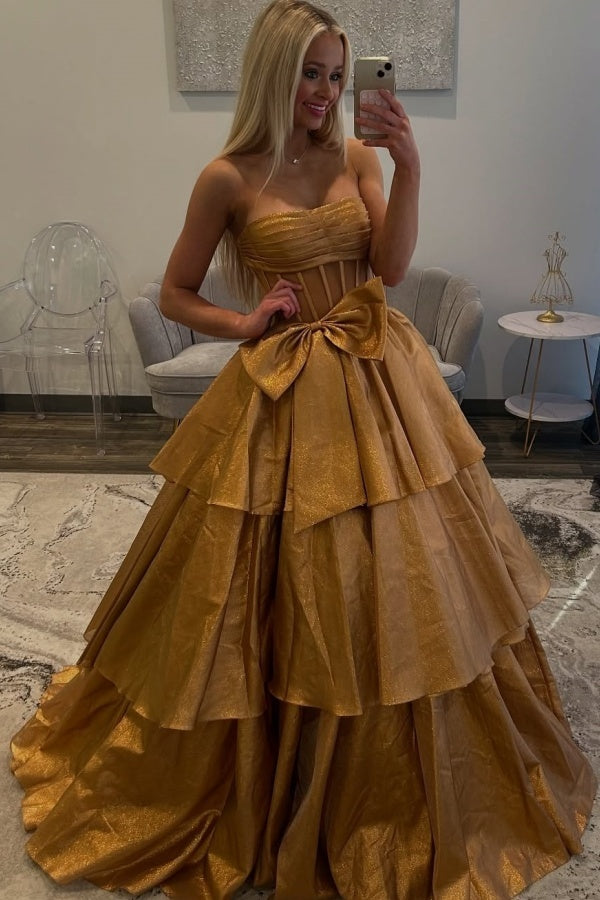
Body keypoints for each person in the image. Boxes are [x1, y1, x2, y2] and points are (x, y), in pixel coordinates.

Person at [11, 1, 596, 898]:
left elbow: (389, 269)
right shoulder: (225, 177)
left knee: (409, 565)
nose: (324, 92)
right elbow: (174, 293)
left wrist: (409, 165)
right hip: (284, 382)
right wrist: (244, 322)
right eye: (309, 74)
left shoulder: (358, 157)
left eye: (335, 75)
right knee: (263, 570)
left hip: (378, 371)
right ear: (273, 74)